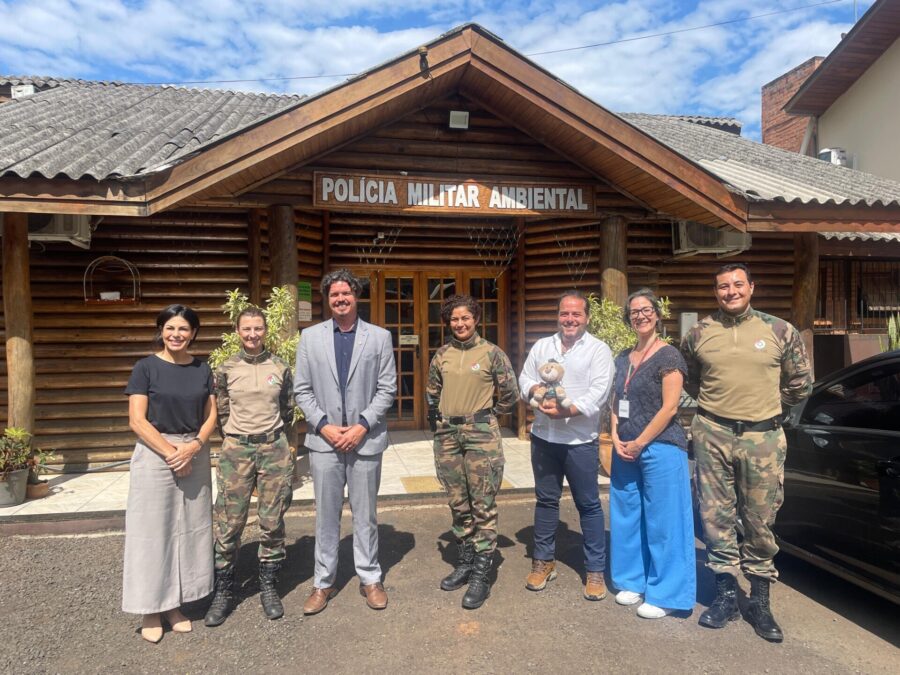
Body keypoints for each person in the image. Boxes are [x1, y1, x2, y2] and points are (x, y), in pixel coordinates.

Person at [681, 263, 812, 642]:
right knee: (715, 516)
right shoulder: (700, 333)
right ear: (715, 292)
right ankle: (725, 595)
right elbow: (689, 376)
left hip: (762, 437)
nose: (731, 291)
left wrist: (769, 408)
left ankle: (759, 599)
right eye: (723, 286)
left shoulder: (779, 330)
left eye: (738, 284)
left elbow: (801, 384)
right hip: (712, 433)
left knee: (759, 519)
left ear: (752, 287)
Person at [294, 269, 397, 614]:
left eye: (346, 294)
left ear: (357, 297)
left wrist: (362, 426)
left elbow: (387, 388)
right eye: (334, 294)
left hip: (364, 438)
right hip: (324, 441)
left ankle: (370, 577)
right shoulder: (310, 337)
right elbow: (302, 389)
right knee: (326, 514)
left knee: (365, 513)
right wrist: (323, 425)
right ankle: (323, 582)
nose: (340, 299)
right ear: (328, 299)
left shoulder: (379, 337)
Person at [122, 305, 217, 643]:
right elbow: (137, 420)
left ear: (194, 333)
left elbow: (211, 416)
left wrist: (193, 447)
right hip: (155, 453)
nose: (177, 335)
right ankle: (150, 607)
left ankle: (176, 604)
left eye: (184, 329)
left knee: (191, 529)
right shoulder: (145, 368)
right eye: (170, 328)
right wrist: (171, 452)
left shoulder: (202, 368)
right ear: (161, 330)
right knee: (152, 531)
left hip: (194, 451)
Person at [519, 290, 615, 600]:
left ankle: (595, 570)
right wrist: (535, 392)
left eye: (576, 314)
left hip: (580, 441)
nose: (569, 319)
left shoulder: (598, 350)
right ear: (557, 316)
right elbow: (524, 378)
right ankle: (543, 561)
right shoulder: (543, 346)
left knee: (588, 504)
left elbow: (600, 391)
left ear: (586, 317)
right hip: (545, 437)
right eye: (564, 314)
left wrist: (568, 410)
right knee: (546, 501)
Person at [425, 294, 519, 609]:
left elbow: (509, 394)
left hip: (481, 436)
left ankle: (482, 572)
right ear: (448, 322)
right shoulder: (441, 355)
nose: (460, 323)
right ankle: (465, 560)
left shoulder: (492, 353)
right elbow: (432, 393)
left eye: (465, 318)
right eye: (454, 319)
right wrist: (442, 421)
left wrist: (486, 416)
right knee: (458, 502)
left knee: (482, 503)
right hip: (448, 435)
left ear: (475, 319)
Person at [204, 307, 294, 626]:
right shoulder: (225, 368)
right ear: (238, 331)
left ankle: (268, 586)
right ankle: (224, 591)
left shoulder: (280, 367)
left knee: (272, 521)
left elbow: (287, 407)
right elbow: (221, 408)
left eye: (258, 328)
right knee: (229, 522)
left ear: (265, 330)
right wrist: (235, 436)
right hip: (236, 450)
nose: (253, 334)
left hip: (274, 449)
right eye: (246, 329)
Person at [609, 289, 696, 619]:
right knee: (627, 515)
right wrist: (615, 435)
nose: (640, 316)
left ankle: (667, 593)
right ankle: (632, 580)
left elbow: (670, 406)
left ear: (658, 315)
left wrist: (641, 441)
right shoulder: (622, 357)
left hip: (660, 445)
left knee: (665, 520)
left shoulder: (669, 356)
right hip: (625, 447)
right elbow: (616, 401)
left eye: (646, 310)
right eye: (634, 311)